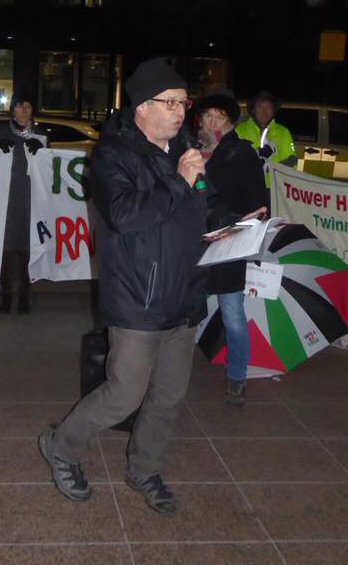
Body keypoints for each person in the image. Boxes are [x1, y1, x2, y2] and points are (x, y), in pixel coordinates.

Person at [38, 57, 207, 515]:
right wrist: (179, 181)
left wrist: (233, 227)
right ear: (141, 108)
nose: (179, 111)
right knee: (124, 393)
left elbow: (193, 217)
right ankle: (62, 445)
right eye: (169, 102)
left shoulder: (185, 151)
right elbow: (127, 215)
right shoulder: (113, 155)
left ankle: (144, 468)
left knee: (168, 396)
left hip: (184, 295)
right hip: (138, 298)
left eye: (183, 102)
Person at [195, 90, 268, 405]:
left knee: (232, 313)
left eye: (218, 117)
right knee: (183, 312)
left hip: (228, 243)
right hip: (194, 244)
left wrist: (235, 230)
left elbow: (259, 205)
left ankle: (237, 376)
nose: (211, 122)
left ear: (228, 122)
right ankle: (171, 372)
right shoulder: (193, 151)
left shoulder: (241, 153)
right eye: (207, 116)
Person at [0, 90, 48, 314]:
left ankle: (26, 297)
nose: (24, 111)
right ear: (13, 110)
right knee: (7, 250)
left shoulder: (39, 136)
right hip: (7, 203)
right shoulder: (2, 133)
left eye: (28, 106)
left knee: (28, 251)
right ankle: (6, 295)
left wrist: (43, 151)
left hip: (31, 203)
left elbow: (50, 172)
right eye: (20, 106)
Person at [236, 90, 297, 191]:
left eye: (268, 108)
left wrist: (270, 168)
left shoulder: (283, 132)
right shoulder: (239, 131)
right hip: (246, 188)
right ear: (253, 110)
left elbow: (292, 160)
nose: (264, 112)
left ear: (274, 111)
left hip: (275, 189)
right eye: (260, 107)